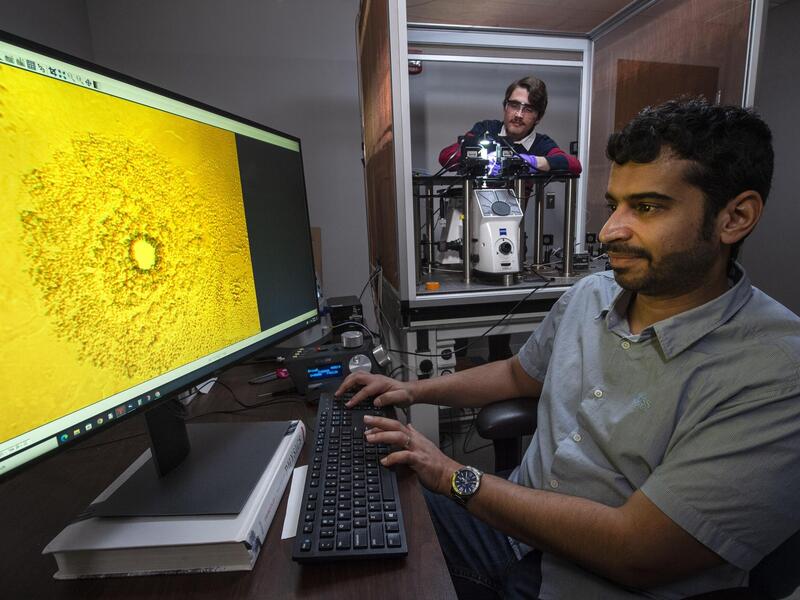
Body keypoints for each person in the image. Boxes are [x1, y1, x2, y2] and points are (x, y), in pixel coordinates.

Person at [337, 98, 800, 599]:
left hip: (591, 582)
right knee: (356, 531)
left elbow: (637, 552)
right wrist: (410, 390)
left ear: (735, 217)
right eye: (614, 205)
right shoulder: (592, 294)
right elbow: (519, 375)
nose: (610, 232)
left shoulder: (775, 371)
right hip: (508, 531)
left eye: (646, 207)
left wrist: (451, 475)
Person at [438, 75, 582, 175]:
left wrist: (529, 161)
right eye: (514, 105)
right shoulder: (485, 129)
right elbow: (445, 157)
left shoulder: (541, 144)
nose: (519, 114)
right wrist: (485, 156)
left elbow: (574, 165)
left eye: (528, 109)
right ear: (505, 107)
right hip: (473, 212)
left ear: (539, 117)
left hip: (514, 217)